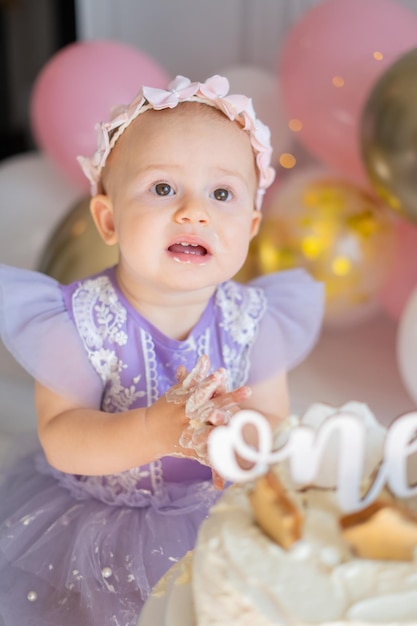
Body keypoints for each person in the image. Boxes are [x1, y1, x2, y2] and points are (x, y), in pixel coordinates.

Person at [0, 74, 324, 625]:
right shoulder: (77, 322)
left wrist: (244, 440)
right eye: (162, 188)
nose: (194, 211)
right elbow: (63, 437)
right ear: (108, 219)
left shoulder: (255, 321)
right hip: (100, 519)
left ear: (249, 227)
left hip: (214, 513)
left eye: (221, 194)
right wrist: (154, 430)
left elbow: (273, 420)